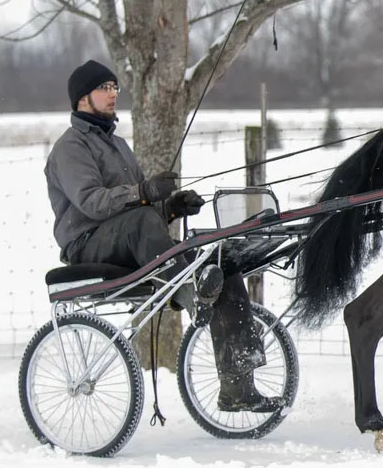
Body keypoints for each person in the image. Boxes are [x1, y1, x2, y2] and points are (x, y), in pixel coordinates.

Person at [44, 60, 285, 412]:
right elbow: (93, 203)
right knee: (144, 221)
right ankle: (193, 294)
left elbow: (139, 218)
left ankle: (238, 387)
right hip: (87, 244)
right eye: (105, 88)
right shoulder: (71, 148)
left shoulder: (118, 145)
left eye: (115, 87)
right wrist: (144, 192)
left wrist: (171, 208)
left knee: (220, 262)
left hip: (130, 240)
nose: (113, 94)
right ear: (83, 99)